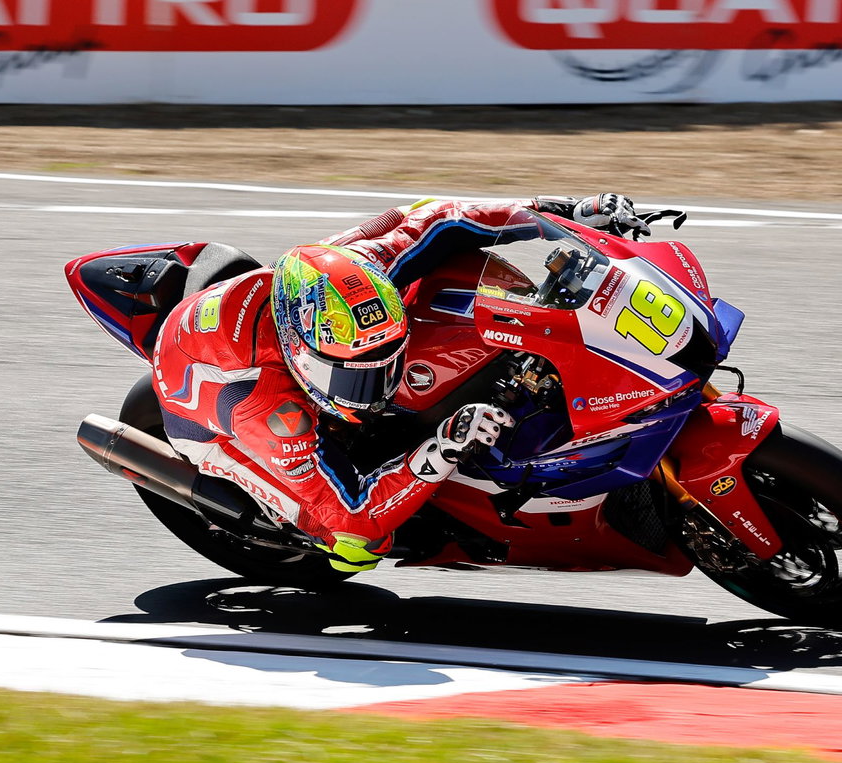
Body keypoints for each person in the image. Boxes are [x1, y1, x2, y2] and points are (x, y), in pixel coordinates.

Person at [150, 192, 648, 574]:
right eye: (356, 376)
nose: (377, 387)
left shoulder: (363, 269)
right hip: (206, 409)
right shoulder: (266, 406)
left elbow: (442, 218)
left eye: (384, 364)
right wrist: (442, 447)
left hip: (280, 303)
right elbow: (353, 516)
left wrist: (557, 213)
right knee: (353, 548)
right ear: (300, 351)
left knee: (426, 237)